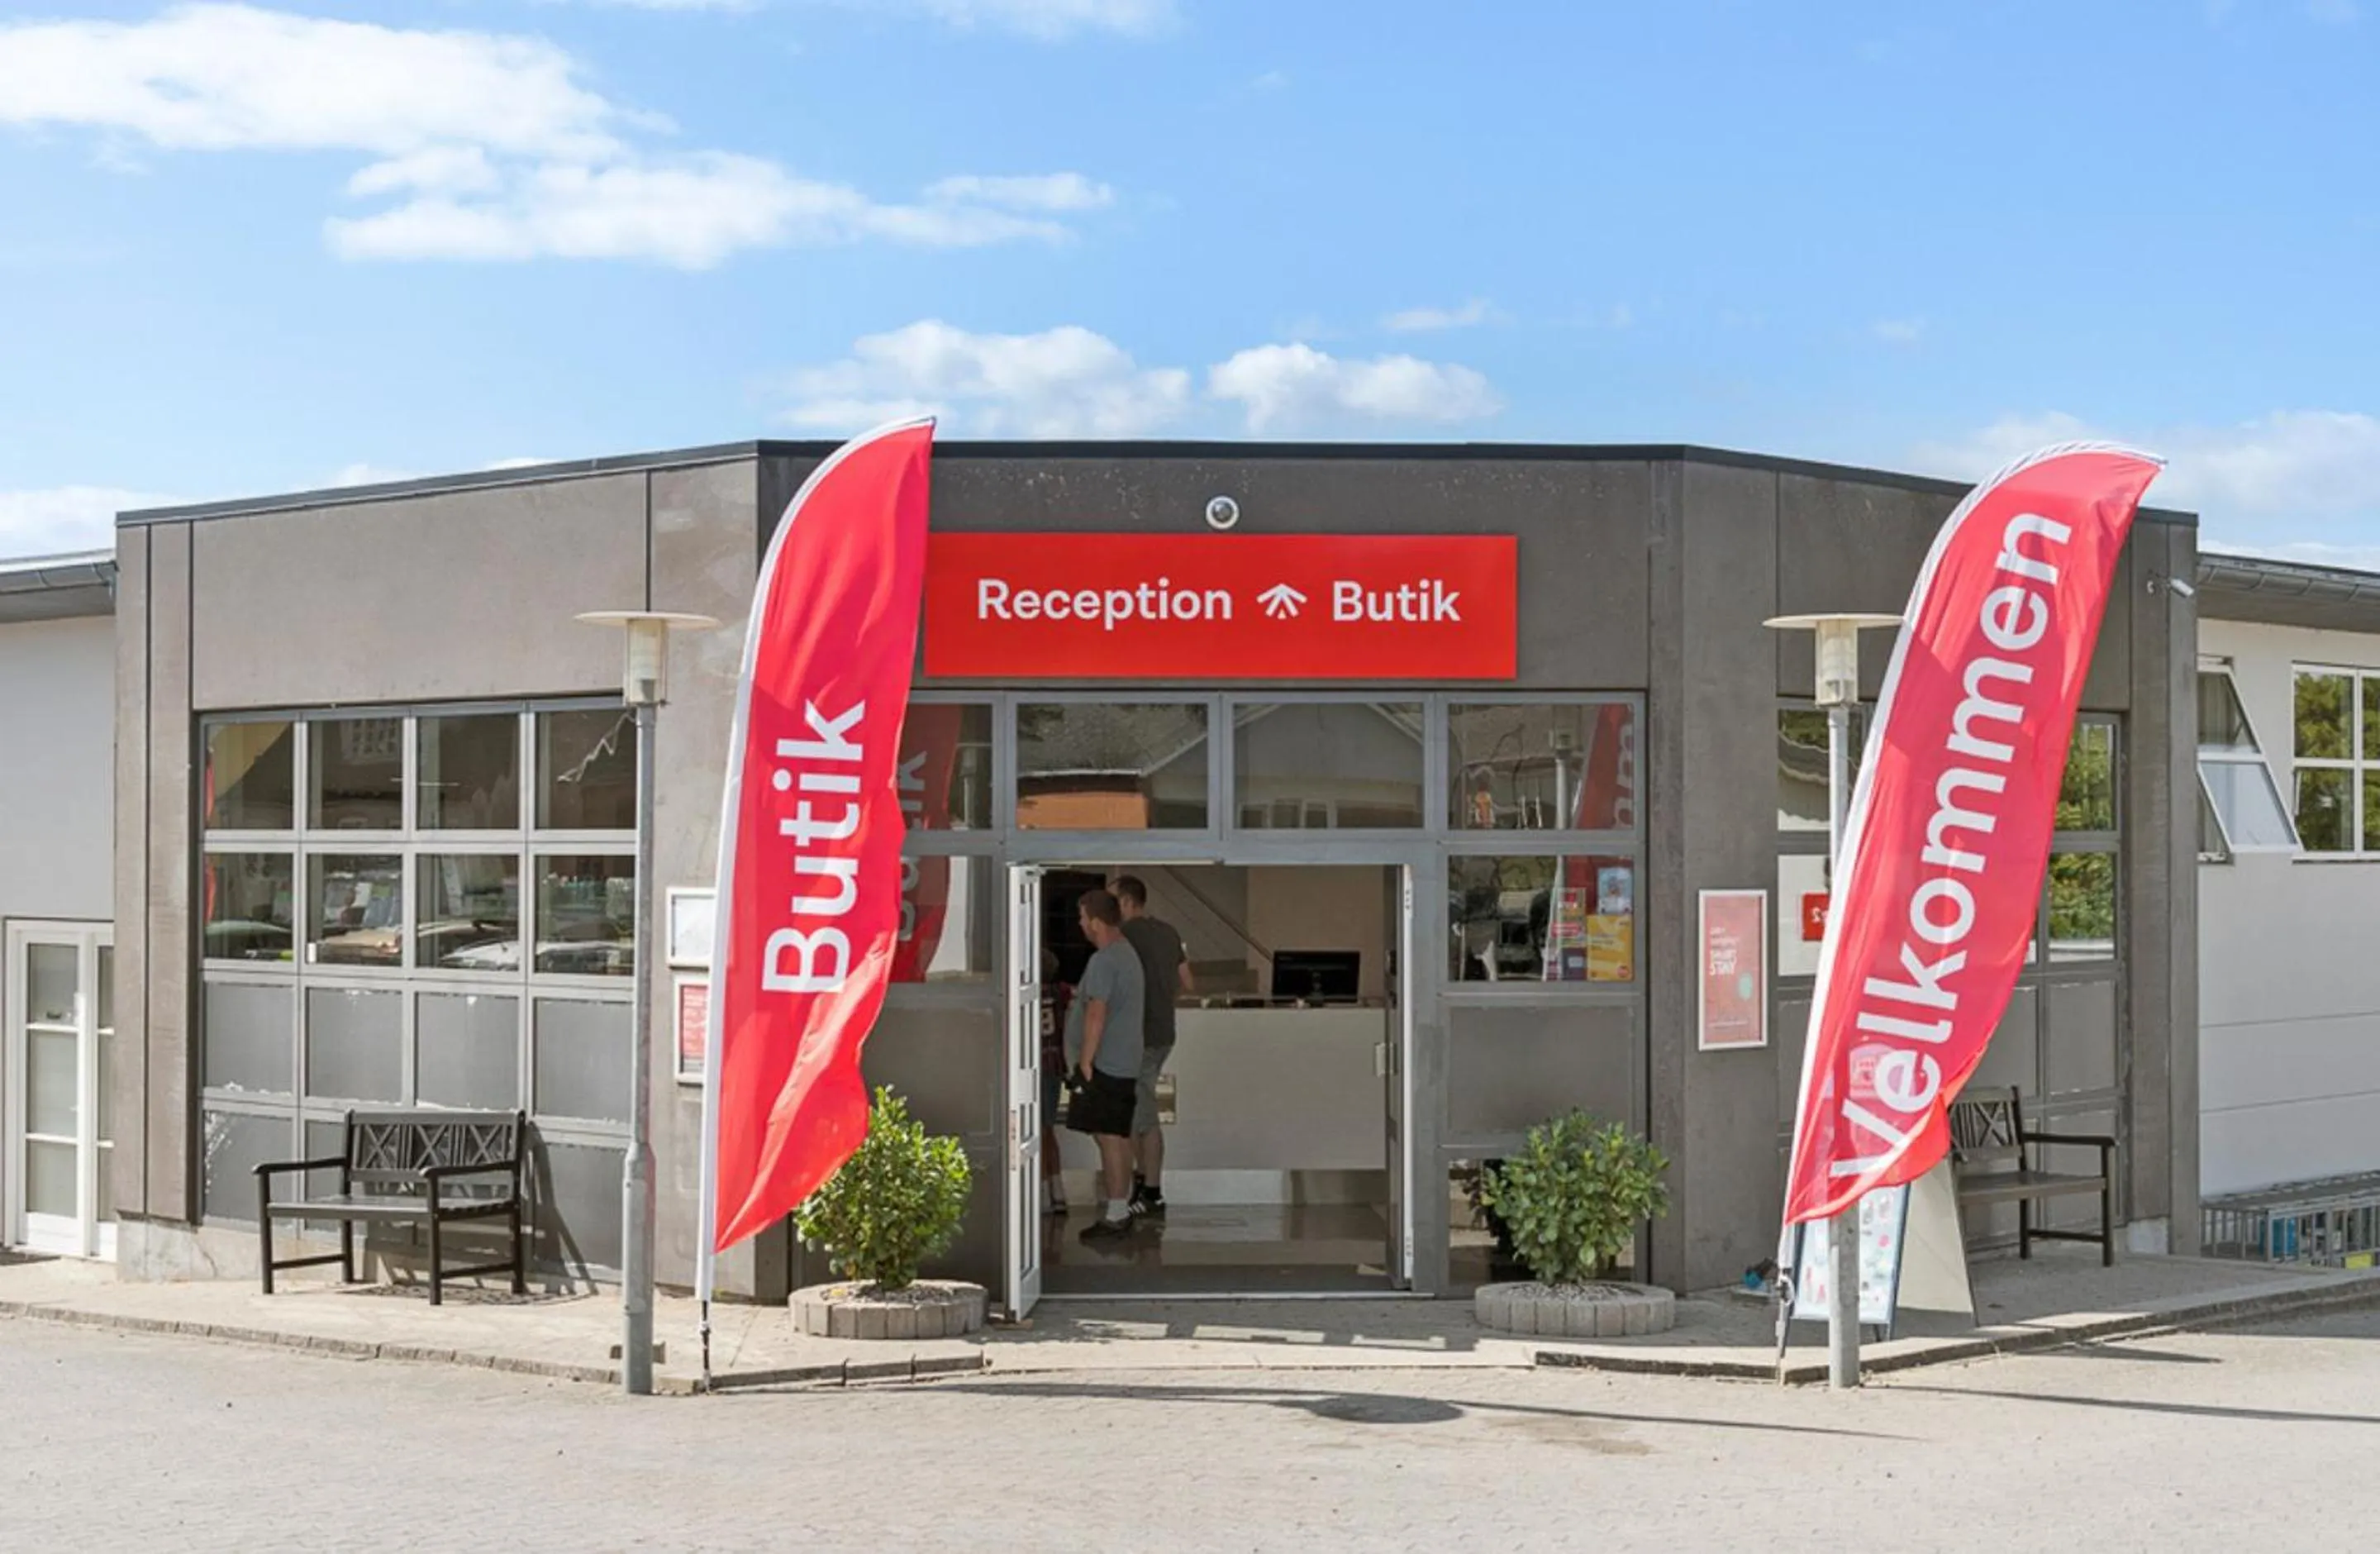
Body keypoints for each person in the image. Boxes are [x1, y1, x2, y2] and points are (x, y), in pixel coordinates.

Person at [1064, 889, 1145, 1244]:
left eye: (1082, 918)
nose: (1080, 925)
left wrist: (1085, 1063)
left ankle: (1115, 1214)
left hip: (1106, 1065)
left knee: (1109, 1138)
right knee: (1117, 1135)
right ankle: (1120, 1207)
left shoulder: (1105, 961)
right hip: (1122, 1062)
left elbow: (1097, 1012)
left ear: (1096, 922)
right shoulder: (1126, 955)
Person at [1112, 874, 1191, 1219]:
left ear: (1128, 902)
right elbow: (1187, 981)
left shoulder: (1123, 936)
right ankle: (1145, 1185)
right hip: (1163, 1033)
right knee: (1139, 1110)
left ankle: (1152, 1191)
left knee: (1142, 1116)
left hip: (1137, 1037)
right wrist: (1162, 999)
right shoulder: (1169, 932)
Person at [1038, 949, 1071, 1216]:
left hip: (1035, 1066)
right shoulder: (1060, 993)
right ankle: (1057, 1189)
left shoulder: (1026, 994)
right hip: (1054, 1066)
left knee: (1035, 1133)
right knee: (1049, 1129)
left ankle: (1041, 1191)